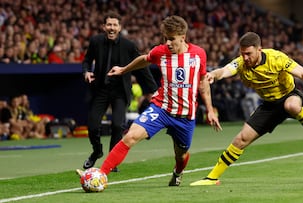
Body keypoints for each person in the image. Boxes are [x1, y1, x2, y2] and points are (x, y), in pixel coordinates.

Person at [77, 15, 222, 186]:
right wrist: (124, 69)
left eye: (172, 39)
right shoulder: (160, 52)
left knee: (181, 154)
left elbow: (203, 82)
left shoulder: (198, 55)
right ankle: (100, 175)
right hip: (161, 108)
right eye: (165, 39)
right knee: (130, 136)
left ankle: (178, 173)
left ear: (183, 37)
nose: (167, 43)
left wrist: (210, 110)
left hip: (185, 115)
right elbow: (144, 59)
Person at [190, 32, 303, 186]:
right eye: (242, 54)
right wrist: (213, 75)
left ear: (259, 50)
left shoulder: (276, 58)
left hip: (289, 95)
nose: (245, 58)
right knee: (240, 140)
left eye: (249, 54)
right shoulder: (241, 62)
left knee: (292, 106)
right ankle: (212, 178)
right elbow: (224, 70)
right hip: (269, 104)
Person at [81, 11, 158, 172]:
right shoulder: (95, 41)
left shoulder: (128, 46)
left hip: (120, 92)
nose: (111, 28)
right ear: (104, 26)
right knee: (93, 125)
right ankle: (97, 151)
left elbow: (142, 68)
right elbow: (87, 60)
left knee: (117, 125)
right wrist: (87, 71)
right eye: (109, 24)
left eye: (115, 25)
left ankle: (111, 160)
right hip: (101, 90)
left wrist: (154, 90)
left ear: (120, 27)